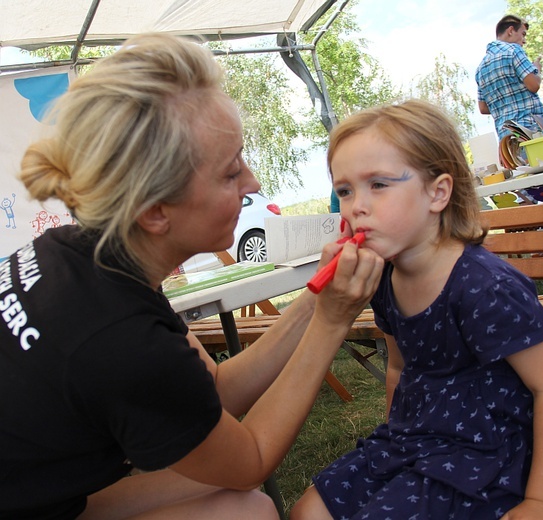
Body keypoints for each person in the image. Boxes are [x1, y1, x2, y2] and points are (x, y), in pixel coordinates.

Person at [0, 33, 384, 520]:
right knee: (249, 511)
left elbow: (212, 392)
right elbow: (251, 461)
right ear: (155, 211)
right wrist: (332, 322)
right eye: (229, 173)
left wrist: (314, 300)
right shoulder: (119, 339)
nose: (253, 183)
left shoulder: (82, 256)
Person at [291, 99, 543, 520]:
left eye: (378, 185)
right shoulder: (383, 278)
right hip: (413, 438)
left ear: (437, 192)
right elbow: (399, 370)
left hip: (482, 450)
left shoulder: (481, 286)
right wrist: (390, 451)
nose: (355, 206)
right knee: (308, 512)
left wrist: (541, 503)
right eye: (345, 190)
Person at [475, 14, 543, 141]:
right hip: (530, 131)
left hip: (506, 139)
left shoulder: (481, 68)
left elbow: (483, 108)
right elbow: (534, 85)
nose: (524, 40)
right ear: (510, 31)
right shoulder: (514, 50)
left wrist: (505, 105)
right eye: (523, 34)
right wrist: (536, 69)